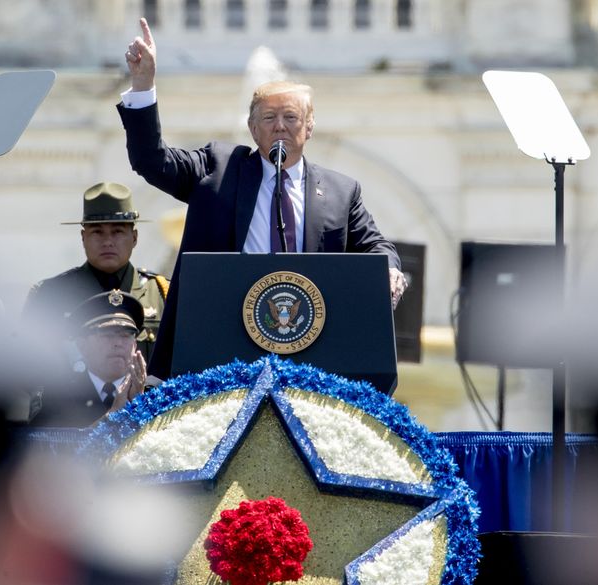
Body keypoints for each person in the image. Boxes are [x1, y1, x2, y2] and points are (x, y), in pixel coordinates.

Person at [118, 18, 407, 381]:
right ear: (253, 128)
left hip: (311, 350)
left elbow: (376, 245)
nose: (280, 126)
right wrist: (143, 85)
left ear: (310, 126)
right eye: (269, 118)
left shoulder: (341, 191)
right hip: (222, 346)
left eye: (291, 117)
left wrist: (391, 269)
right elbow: (151, 160)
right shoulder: (218, 169)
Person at [22, 182, 168, 367]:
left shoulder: (162, 295)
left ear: (134, 238)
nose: (107, 241)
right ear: (83, 238)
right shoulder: (49, 296)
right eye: (97, 232)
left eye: (117, 232)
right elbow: (27, 367)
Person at [30, 289, 147, 427]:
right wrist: (114, 414)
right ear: (81, 344)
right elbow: (47, 446)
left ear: (135, 344)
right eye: (107, 335)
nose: (118, 343)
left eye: (126, 335)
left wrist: (142, 405)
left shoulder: (158, 391)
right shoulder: (56, 396)